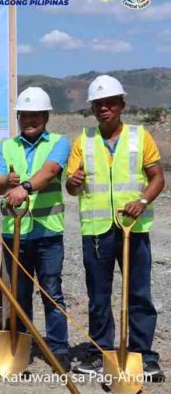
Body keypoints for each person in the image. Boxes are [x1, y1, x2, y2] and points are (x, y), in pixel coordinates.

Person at [66, 75, 165, 380]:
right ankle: (100, 353)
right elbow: (71, 187)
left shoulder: (140, 136)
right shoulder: (83, 141)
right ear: (92, 110)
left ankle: (143, 356)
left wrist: (142, 202)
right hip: (96, 232)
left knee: (138, 294)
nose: (105, 108)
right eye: (99, 105)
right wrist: (72, 182)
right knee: (99, 296)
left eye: (111, 103)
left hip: (132, 229)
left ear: (122, 105)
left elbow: (157, 178)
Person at [0, 87, 71, 370]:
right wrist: (6, 181)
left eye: (36, 115)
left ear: (46, 116)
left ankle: (59, 349)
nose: (30, 120)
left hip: (48, 232)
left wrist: (23, 187)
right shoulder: (6, 147)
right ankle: (21, 344)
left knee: (51, 291)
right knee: (18, 294)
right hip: (15, 233)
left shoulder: (59, 143)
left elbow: (50, 172)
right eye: (25, 115)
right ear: (19, 117)